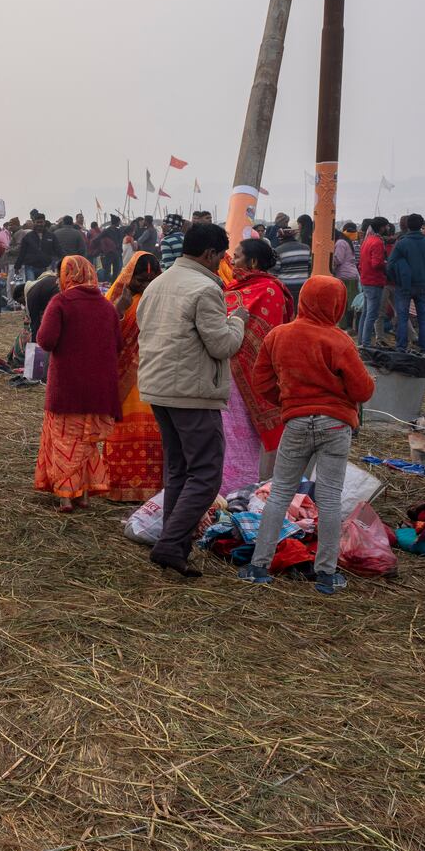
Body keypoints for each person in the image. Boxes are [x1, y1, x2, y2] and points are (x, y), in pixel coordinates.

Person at [238, 276, 375, 593]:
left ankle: (259, 566)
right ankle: (326, 574)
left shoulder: (279, 335)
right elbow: (362, 390)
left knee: (281, 493)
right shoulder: (339, 341)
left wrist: (290, 404)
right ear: (336, 304)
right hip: (336, 426)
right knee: (328, 500)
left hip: (296, 423)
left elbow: (261, 383)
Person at [135, 223, 246, 577]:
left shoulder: (159, 283)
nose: (223, 263)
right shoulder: (205, 289)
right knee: (206, 474)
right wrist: (238, 321)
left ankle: (174, 547)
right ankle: (170, 544)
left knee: (179, 470)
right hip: (192, 392)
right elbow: (222, 345)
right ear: (210, 254)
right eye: (221, 256)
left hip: (158, 388)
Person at [33, 256, 122, 512]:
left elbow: (46, 341)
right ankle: (82, 494)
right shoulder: (106, 307)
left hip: (68, 388)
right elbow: (117, 344)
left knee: (65, 440)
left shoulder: (61, 302)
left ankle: (65, 495)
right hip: (100, 390)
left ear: (66, 275)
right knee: (87, 442)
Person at [220, 238, 294, 488]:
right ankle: (224, 486)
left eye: (238, 256)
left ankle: (246, 485)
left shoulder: (271, 290)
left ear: (252, 261)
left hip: (252, 377)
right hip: (223, 370)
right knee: (227, 432)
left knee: (247, 434)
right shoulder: (232, 288)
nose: (233, 261)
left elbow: (270, 337)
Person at [103, 252, 165, 503]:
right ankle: (119, 486)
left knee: (155, 433)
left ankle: (152, 489)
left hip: (154, 376)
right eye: (141, 279)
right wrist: (120, 309)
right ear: (129, 277)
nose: (146, 285)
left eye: (152, 279)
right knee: (122, 432)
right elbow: (105, 337)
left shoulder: (162, 299)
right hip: (125, 381)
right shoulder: (116, 299)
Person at [386, 213, 425, 353]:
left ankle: (401, 347)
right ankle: (424, 346)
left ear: (407, 225)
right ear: (421, 226)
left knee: (402, 317)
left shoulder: (402, 243)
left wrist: (396, 279)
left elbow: (390, 265)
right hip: (423, 285)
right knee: (423, 317)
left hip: (404, 285)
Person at [357, 216, 390, 346]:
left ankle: (361, 341)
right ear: (381, 227)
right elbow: (376, 264)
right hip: (374, 281)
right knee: (372, 314)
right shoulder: (377, 242)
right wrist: (386, 264)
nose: (387, 228)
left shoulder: (367, 240)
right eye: (386, 226)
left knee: (365, 314)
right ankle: (366, 344)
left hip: (365, 280)